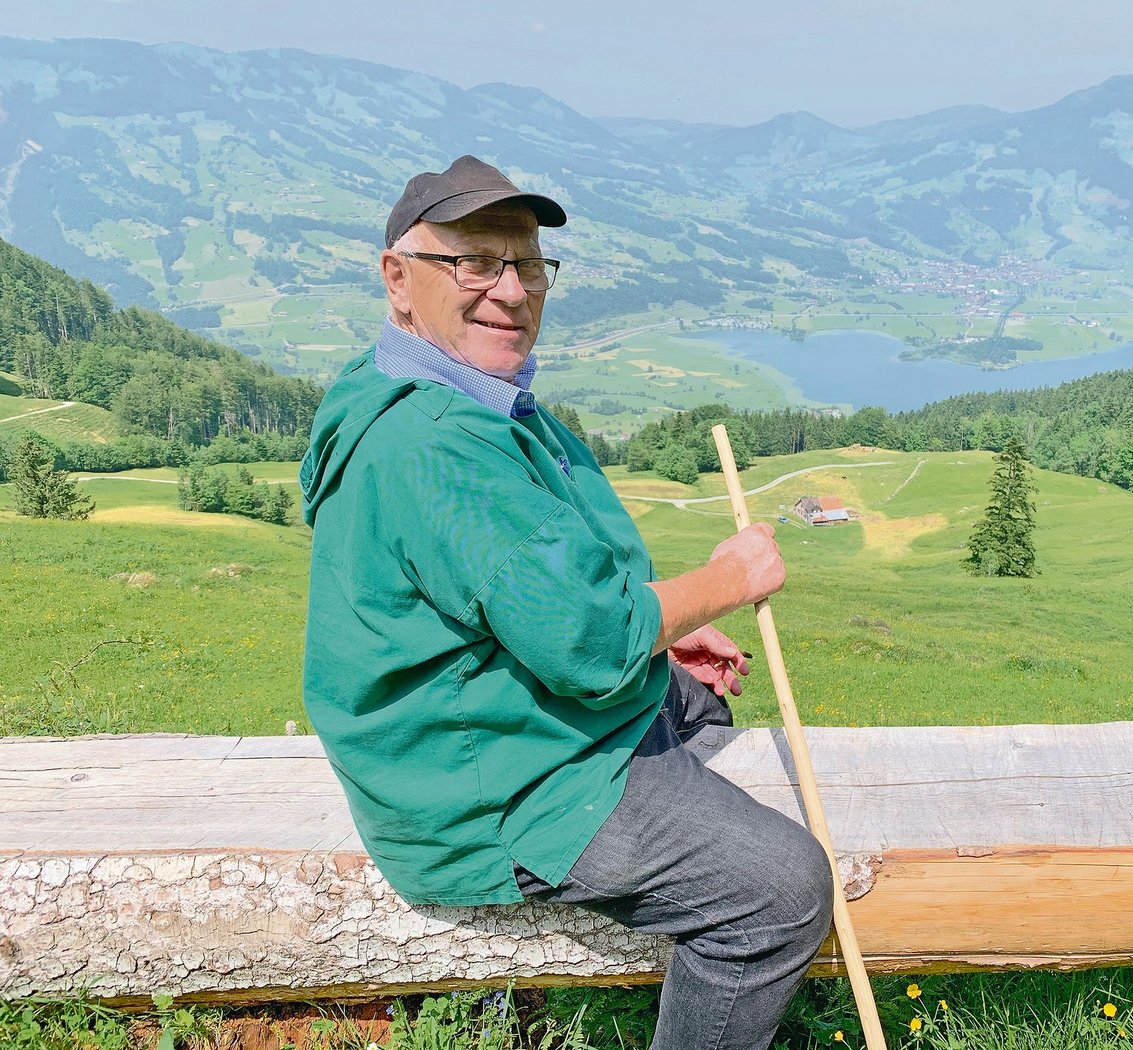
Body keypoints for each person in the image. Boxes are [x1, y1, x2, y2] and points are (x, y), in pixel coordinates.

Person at [299, 155, 834, 1049]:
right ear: (398, 279)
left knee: (696, 699)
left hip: (498, 710)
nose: (510, 290)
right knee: (782, 891)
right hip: (488, 787)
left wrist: (663, 631)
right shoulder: (437, 444)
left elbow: (542, 587)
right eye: (473, 262)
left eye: (528, 263)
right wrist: (730, 580)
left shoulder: (440, 389)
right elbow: (587, 641)